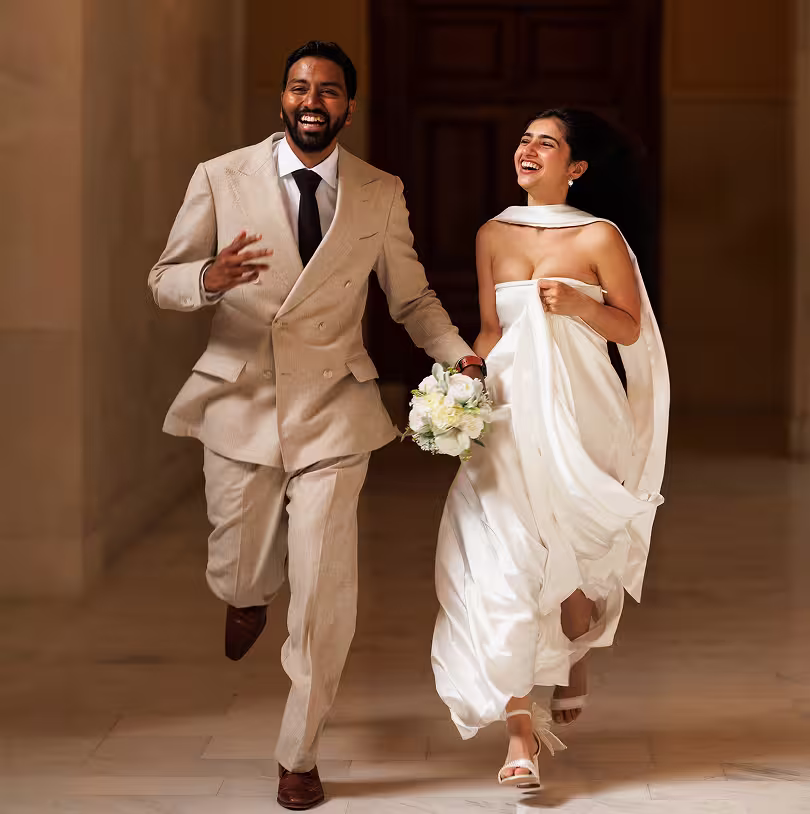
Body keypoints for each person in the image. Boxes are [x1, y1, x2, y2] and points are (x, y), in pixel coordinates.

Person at [148, 40, 482, 811]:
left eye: (327, 91)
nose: (312, 100)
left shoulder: (378, 190)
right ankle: (244, 591)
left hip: (334, 405)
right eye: (299, 87)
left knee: (325, 592)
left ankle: (299, 754)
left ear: (348, 107)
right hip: (240, 402)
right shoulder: (219, 177)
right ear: (282, 99)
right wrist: (208, 277)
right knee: (237, 560)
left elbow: (412, 299)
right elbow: (163, 281)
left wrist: (459, 359)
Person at [431, 108, 669, 787]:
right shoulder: (492, 234)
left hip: (581, 411)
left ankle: (576, 625)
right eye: (525, 139)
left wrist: (581, 308)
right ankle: (519, 740)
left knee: (570, 540)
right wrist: (459, 392)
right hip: (508, 413)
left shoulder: (599, 236)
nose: (528, 149)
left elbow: (629, 330)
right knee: (500, 560)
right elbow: (486, 330)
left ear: (576, 167)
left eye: (548, 142)